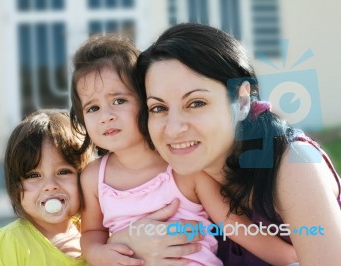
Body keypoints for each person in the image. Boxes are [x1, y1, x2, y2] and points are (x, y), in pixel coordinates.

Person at [110, 23, 341, 265]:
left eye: (196, 103)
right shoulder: (174, 176)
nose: (174, 128)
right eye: (159, 108)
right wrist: (123, 242)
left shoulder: (294, 164)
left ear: (242, 100)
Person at [70, 34, 299, 265]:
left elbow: (236, 227)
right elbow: (91, 233)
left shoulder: (183, 168)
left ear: (147, 102)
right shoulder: (93, 178)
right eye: (93, 108)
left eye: (119, 101)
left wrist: (296, 258)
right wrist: (98, 253)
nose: (106, 117)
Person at [0, 109, 92, 266]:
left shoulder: (96, 236)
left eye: (63, 172)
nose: (50, 186)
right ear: (15, 185)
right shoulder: (12, 241)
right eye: (34, 175)